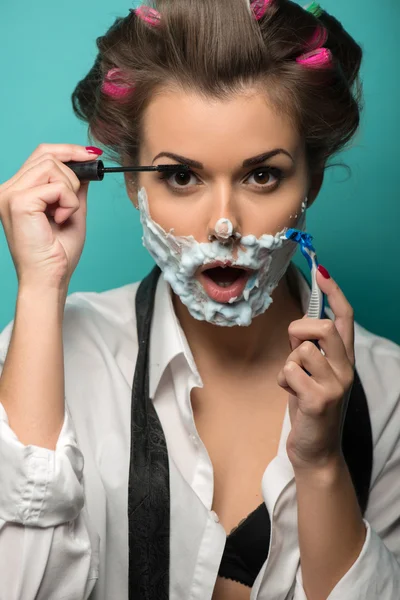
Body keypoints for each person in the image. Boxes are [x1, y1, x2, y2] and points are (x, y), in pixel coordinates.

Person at [0, 1, 399, 599]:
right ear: (133, 183)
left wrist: (321, 466)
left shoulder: (388, 393)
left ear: (311, 180)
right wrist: (39, 289)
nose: (222, 225)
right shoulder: (47, 357)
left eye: (261, 176)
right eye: (181, 177)